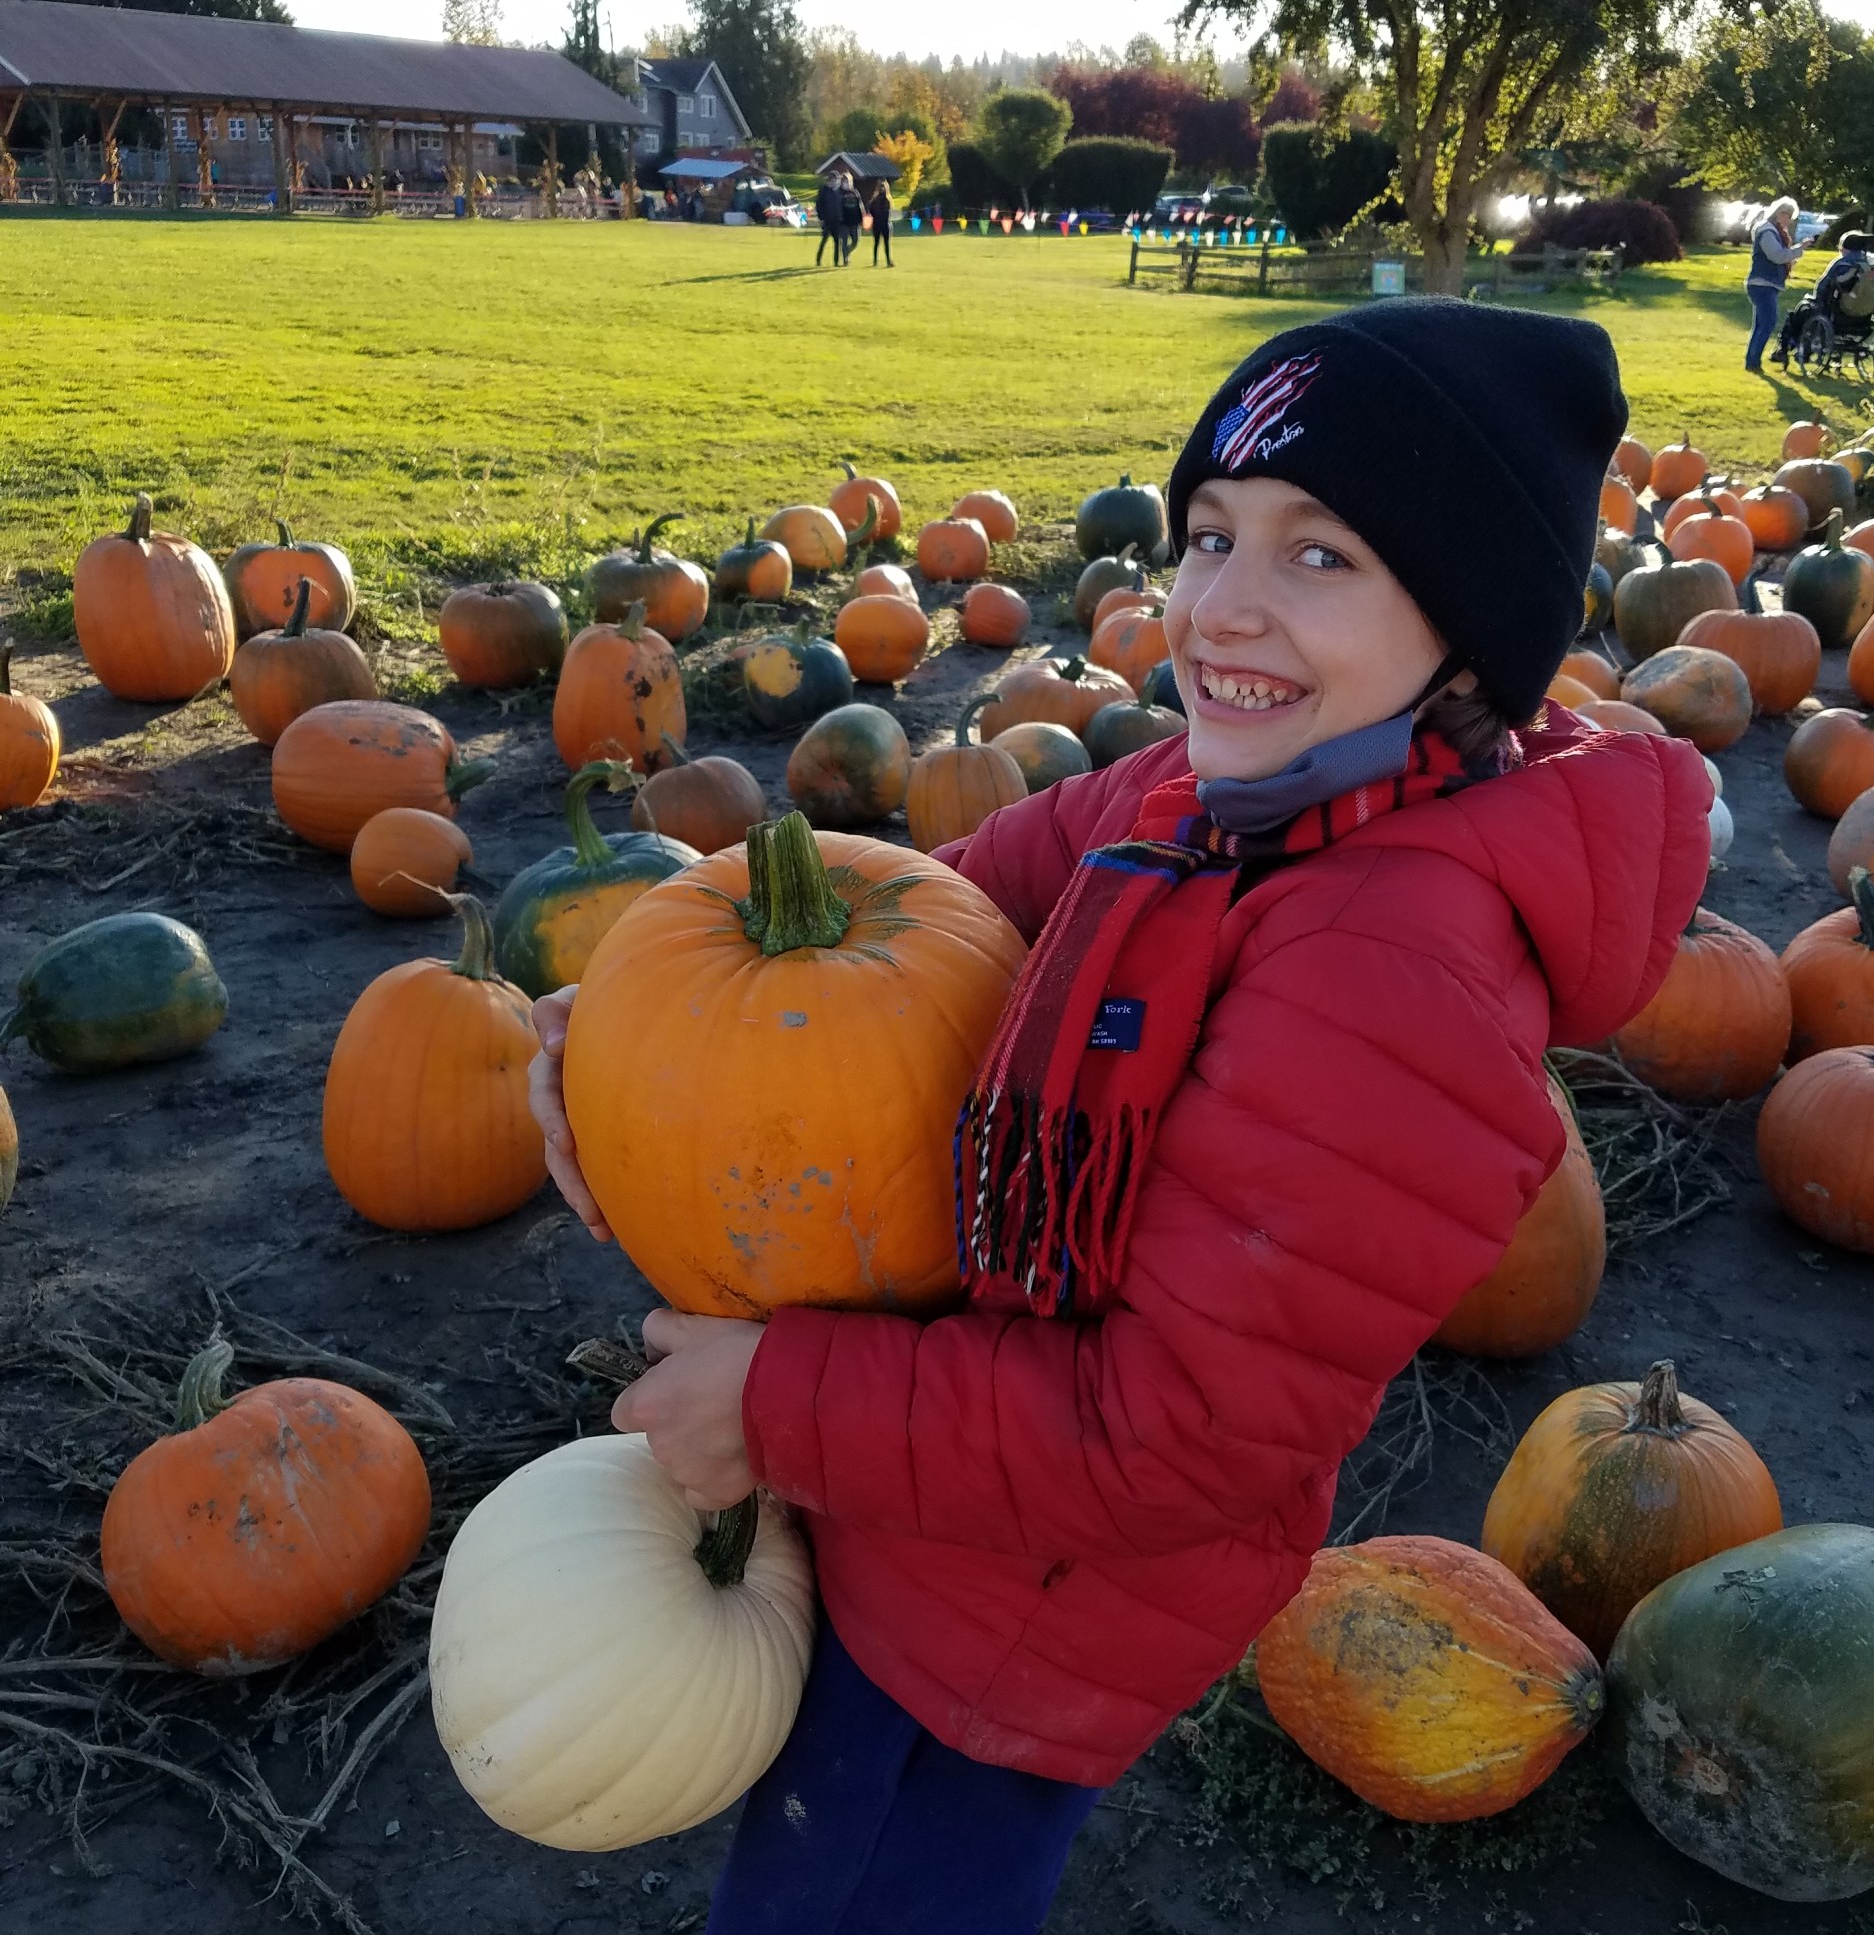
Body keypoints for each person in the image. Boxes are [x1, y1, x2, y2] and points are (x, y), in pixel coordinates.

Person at [526, 302, 1711, 1935]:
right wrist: (643, 1034)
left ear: (1469, 630)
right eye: (1212, 533)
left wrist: (782, 1406)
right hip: (934, 1484)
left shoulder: (1396, 976)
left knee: (854, 1891)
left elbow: (1181, 1428)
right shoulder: (1197, 798)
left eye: (1321, 555)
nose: (1222, 602)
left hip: (1027, 1612)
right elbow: (921, 930)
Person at [1745, 195, 1805, 372]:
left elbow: (1778, 256)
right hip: (1763, 283)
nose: (1789, 221)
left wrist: (1793, 254)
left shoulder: (1771, 230)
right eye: (1789, 216)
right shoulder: (1768, 231)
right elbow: (1776, 256)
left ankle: (1752, 361)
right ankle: (1753, 363)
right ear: (1780, 214)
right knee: (1767, 324)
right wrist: (1798, 250)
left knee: (1760, 325)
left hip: (1765, 283)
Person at [814, 170, 844, 265]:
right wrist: (821, 218)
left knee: (837, 242)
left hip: (837, 220)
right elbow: (819, 205)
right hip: (827, 220)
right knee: (824, 240)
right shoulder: (823, 191)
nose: (837, 181)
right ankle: (818, 259)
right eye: (836, 179)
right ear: (830, 180)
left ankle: (836, 262)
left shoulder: (839, 192)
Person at [867, 177, 895, 266]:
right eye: (881, 187)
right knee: (877, 243)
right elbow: (870, 211)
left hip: (885, 224)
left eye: (883, 187)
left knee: (886, 243)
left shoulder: (887, 200)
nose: (882, 189)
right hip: (877, 224)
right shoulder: (875, 200)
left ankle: (888, 261)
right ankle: (875, 261)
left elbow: (889, 213)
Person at [839, 170, 864, 264]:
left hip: (855, 222)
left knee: (855, 242)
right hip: (843, 222)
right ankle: (845, 259)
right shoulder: (839, 193)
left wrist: (862, 219)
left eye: (848, 181)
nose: (846, 183)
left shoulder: (855, 193)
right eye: (844, 181)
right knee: (844, 241)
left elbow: (860, 206)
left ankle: (847, 253)